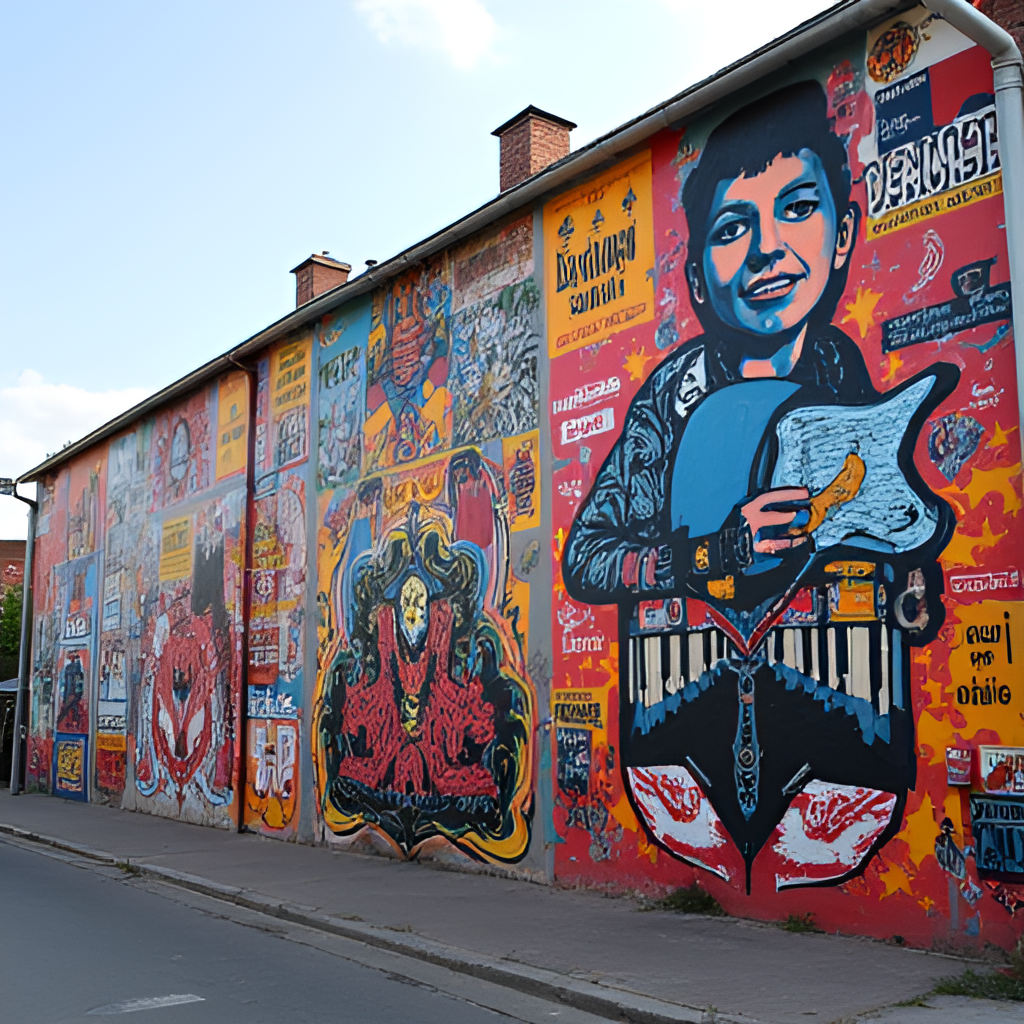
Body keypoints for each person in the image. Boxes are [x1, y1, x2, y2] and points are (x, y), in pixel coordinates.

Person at [563, 81, 955, 890]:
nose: (768, 249)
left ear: (844, 234)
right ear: (698, 277)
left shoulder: (846, 375)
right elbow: (586, 559)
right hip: (682, 738)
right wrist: (707, 554)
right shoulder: (669, 400)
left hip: (840, 744)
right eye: (734, 229)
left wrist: (909, 580)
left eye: (797, 209)